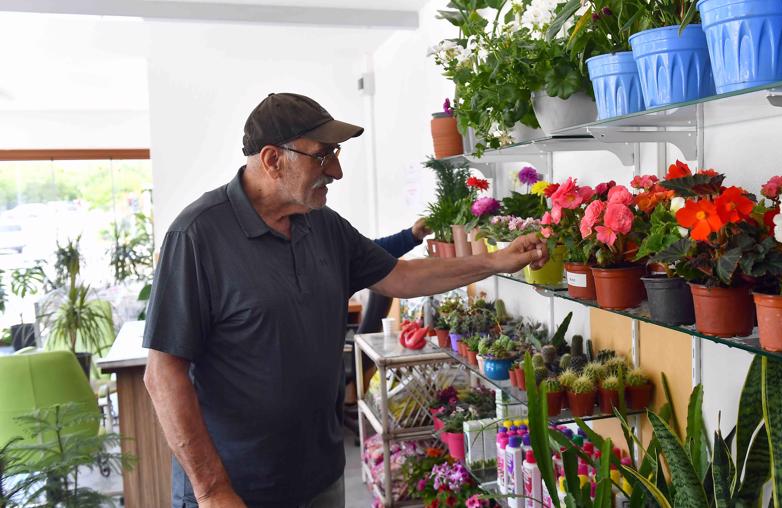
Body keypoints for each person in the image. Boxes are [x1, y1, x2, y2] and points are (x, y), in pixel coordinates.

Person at [142, 92, 546, 508]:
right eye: (322, 156)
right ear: (271, 159)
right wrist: (211, 490)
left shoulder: (323, 225)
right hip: (236, 489)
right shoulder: (195, 236)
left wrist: (495, 261)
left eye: (335, 154)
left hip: (320, 477)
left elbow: (401, 276)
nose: (335, 170)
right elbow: (163, 375)